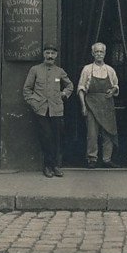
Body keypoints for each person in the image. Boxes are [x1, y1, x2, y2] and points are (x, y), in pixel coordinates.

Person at [22, 44, 74, 178]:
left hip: (56, 109)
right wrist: (33, 103)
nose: (50, 56)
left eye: (52, 53)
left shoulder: (59, 71)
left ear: (56, 55)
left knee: (57, 138)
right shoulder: (35, 70)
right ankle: (47, 166)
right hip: (41, 110)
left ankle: (56, 166)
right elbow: (27, 89)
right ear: (44, 54)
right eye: (47, 53)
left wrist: (64, 93)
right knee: (46, 137)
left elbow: (70, 85)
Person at [77, 42, 119, 168]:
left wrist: (113, 90)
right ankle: (92, 159)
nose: (99, 54)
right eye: (96, 52)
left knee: (109, 131)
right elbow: (81, 88)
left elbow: (116, 86)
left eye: (101, 52)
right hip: (91, 104)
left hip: (107, 104)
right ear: (93, 53)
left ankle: (107, 159)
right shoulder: (87, 69)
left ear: (105, 53)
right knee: (92, 133)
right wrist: (83, 106)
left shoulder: (110, 70)